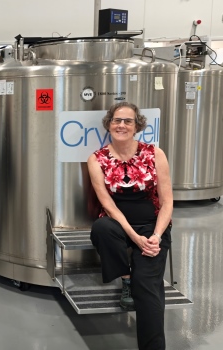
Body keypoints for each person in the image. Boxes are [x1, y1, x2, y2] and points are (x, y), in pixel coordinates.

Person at [88, 102, 172, 350]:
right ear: (109, 123)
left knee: (147, 287)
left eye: (128, 121)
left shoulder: (154, 154)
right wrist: (135, 238)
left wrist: (156, 236)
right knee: (101, 229)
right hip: (117, 225)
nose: (121, 125)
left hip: (152, 226)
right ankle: (125, 278)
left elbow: (167, 201)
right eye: (117, 120)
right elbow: (108, 206)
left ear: (137, 126)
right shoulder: (97, 159)